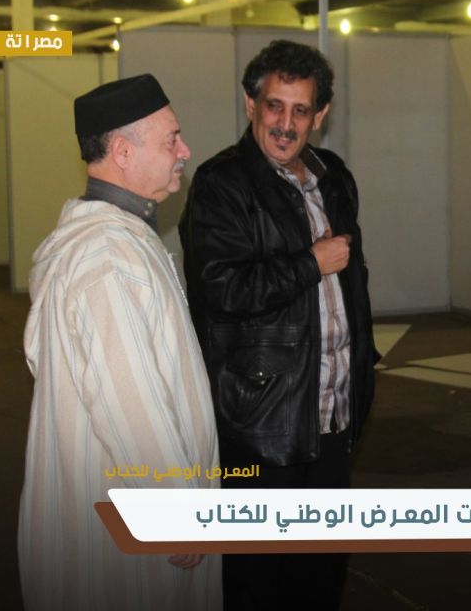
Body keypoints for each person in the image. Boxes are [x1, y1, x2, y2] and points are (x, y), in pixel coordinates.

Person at [179, 39, 376, 609]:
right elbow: (220, 289)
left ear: (321, 114)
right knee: (257, 577)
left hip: (333, 413)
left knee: (320, 573)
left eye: (301, 110)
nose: (286, 125)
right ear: (250, 105)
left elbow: (353, 281)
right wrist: (310, 263)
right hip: (260, 421)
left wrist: (364, 364)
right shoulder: (221, 184)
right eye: (274, 106)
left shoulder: (334, 177)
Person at [17, 74, 221, 611]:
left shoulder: (113, 242)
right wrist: (172, 511)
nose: (184, 151)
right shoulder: (107, 257)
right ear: (124, 152)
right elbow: (129, 400)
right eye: (171, 139)